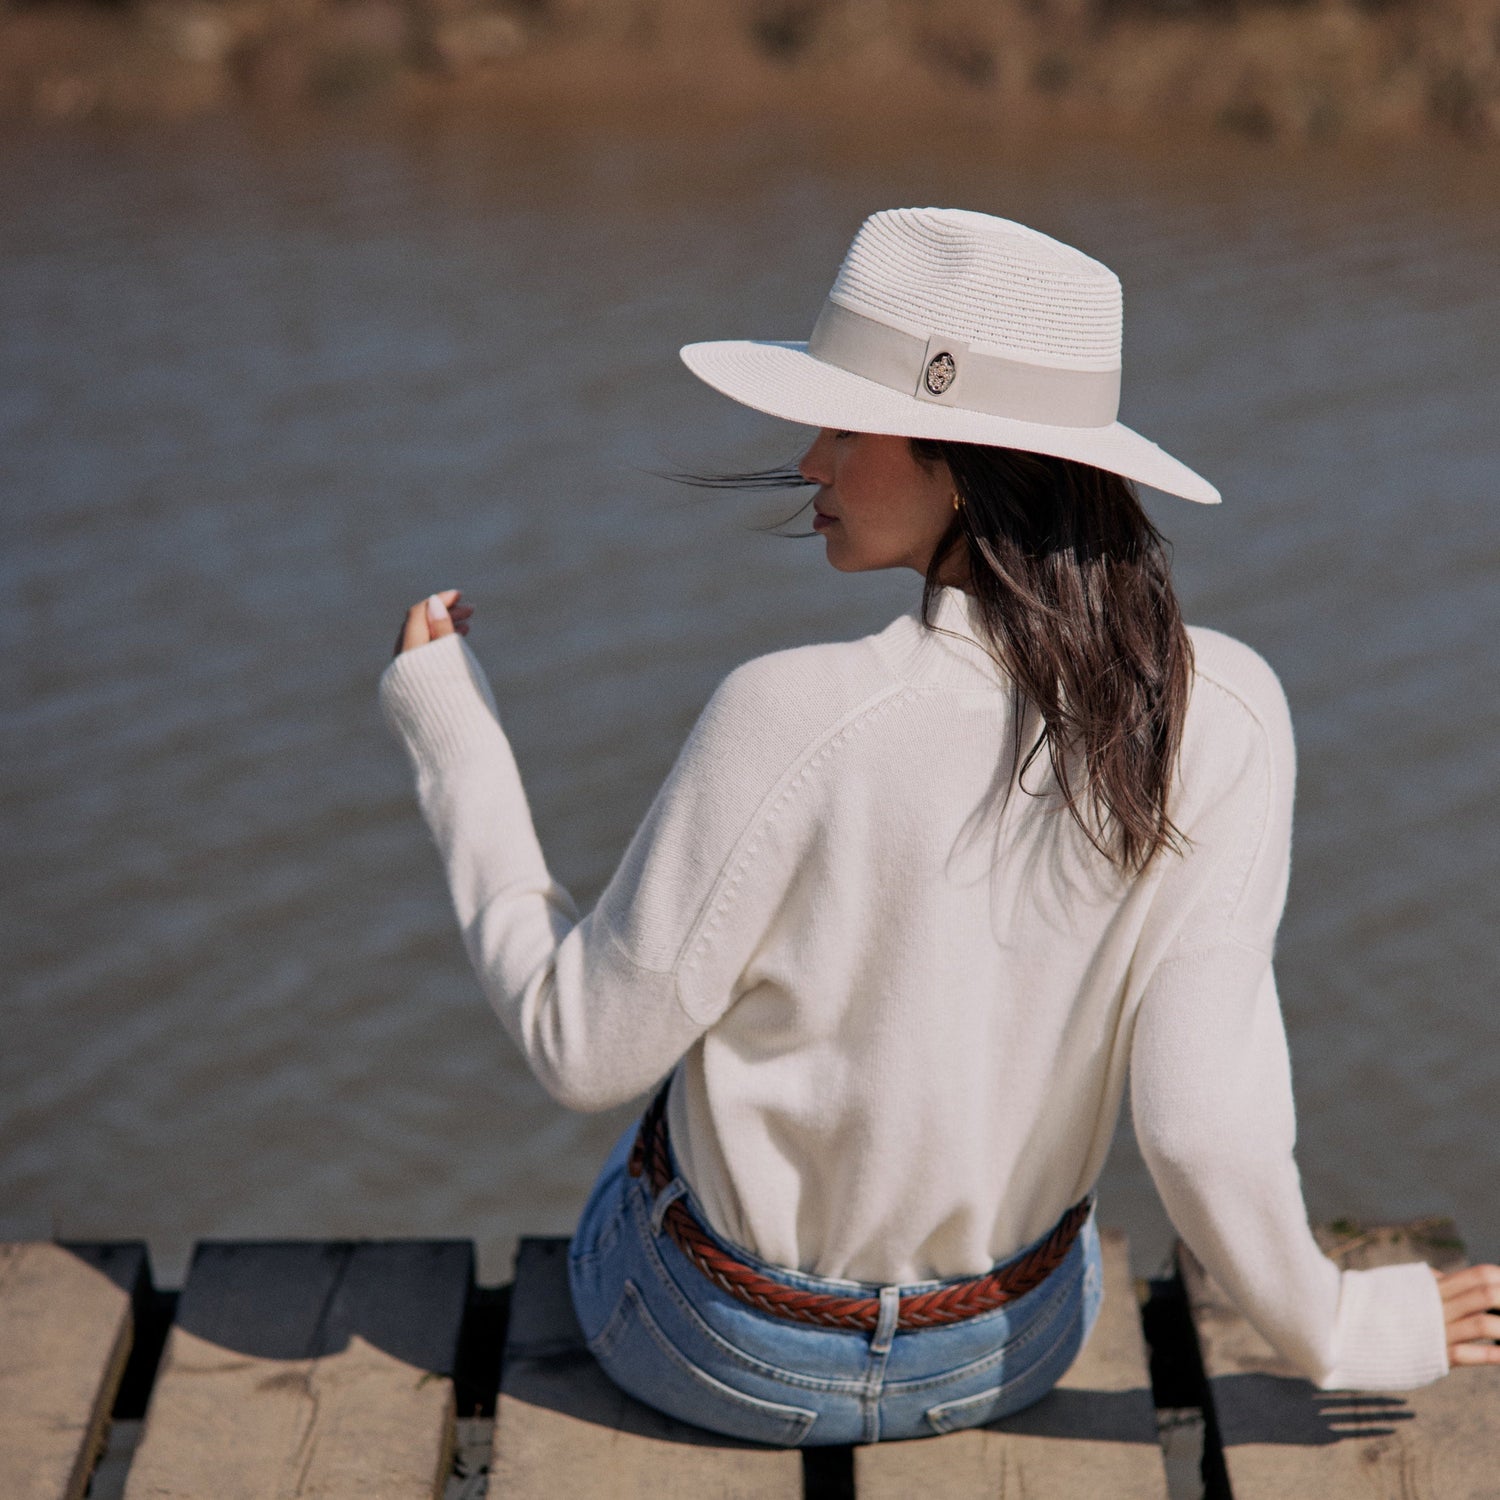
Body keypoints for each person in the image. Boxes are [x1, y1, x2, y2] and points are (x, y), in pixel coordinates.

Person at [380, 208, 1500, 1446]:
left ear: (962, 458)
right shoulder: (1227, 714)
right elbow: (1199, 1127)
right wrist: (1341, 1329)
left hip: (723, 1351)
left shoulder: (787, 712)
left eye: (845, 426)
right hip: (1005, 1353)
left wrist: (455, 739)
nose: (809, 461)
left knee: (639, 1156)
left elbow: (577, 1050)